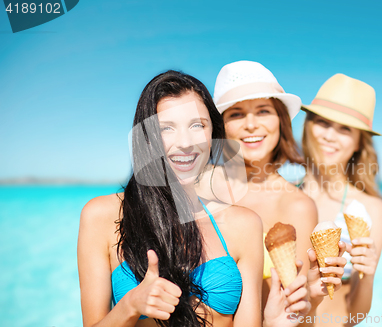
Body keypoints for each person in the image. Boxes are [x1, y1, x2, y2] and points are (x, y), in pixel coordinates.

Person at [77, 70, 310, 327]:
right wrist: (130, 306)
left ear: (213, 133)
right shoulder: (102, 215)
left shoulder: (244, 224)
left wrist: (275, 324)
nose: (185, 142)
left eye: (197, 125)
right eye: (167, 128)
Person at [213, 61, 347, 316]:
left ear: (281, 121)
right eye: (236, 113)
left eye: (263, 111)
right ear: (221, 126)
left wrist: (313, 300)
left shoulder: (297, 206)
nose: (251, 124)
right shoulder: (194, 189)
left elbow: (296, 316)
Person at [300, 73, 382, 326]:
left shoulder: (370, 209)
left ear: (360, 141)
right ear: (308, 125)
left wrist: (368, 276)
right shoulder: (283, 193)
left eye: (344, 129)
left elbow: (357, 315)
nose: (330, 135)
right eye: (322, 122)